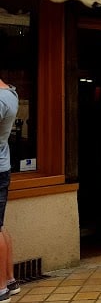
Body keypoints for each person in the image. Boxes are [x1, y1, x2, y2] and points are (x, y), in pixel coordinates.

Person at [0, 79, 19, 301]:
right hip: (3, 167)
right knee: (1, 225)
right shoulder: (10, 93)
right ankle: (10, 280)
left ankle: (1, 288)